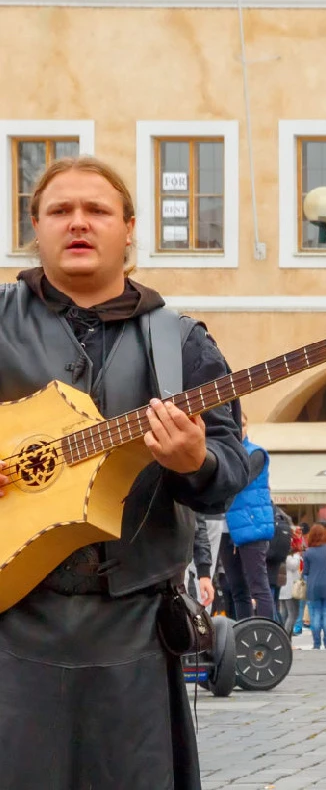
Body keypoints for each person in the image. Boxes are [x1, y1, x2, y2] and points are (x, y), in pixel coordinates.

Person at [0, 156, 248, 790]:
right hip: (9, 617)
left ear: (129, 228)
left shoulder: (182, 343)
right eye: (60, 210)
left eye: (97, 211)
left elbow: (229, 465)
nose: (78, 223)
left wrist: (198, 463)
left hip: (135, 628)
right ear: (35, 227)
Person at [218, 430, 275, 620]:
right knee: (237, 589)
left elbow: (239, 480)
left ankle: (269, 630)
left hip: (251, 525)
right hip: (227, 527)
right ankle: (244, 632)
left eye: (241, 423)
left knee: (258, 586)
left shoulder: (255, 453)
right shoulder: (225, 451)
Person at [302, 523, 326, 649]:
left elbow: (305, 572)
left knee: (316, 614)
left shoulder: (308, 553)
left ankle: (316, 644)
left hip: (314, 586)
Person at [280, 528, 304, 637]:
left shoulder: (282, 550)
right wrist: (298, 555)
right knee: (292, 614)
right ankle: (285, 635)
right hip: (289, 588)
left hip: (284, 587)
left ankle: (284, 633)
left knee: (284, 613)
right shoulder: (287, 554)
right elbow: (293, 565)